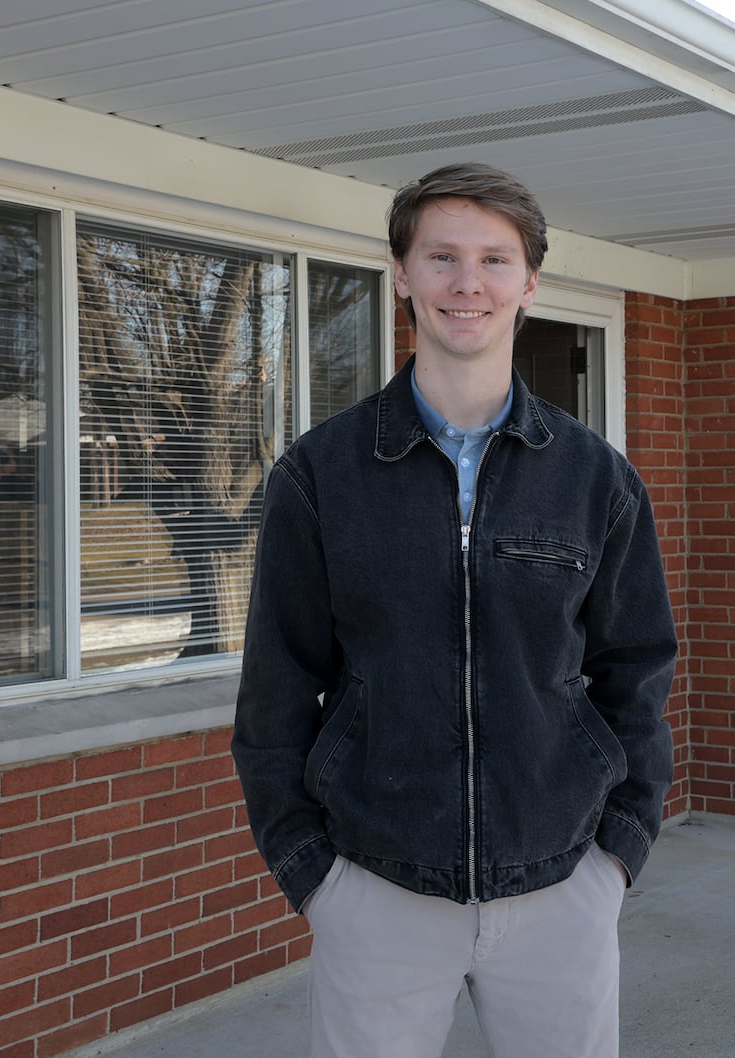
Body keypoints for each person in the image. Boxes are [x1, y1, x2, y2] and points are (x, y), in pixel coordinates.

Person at [231, 162, 678, 1058]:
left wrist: (617, 850)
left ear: (528, 284)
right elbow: (277, 693)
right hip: (377, 888)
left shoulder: (597, 479)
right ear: (401, 275)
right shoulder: (321, 477)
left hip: (560, 887)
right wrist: (315, 877)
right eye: (441, 257)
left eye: (493, 260)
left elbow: (637, 670)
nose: (466, 284)